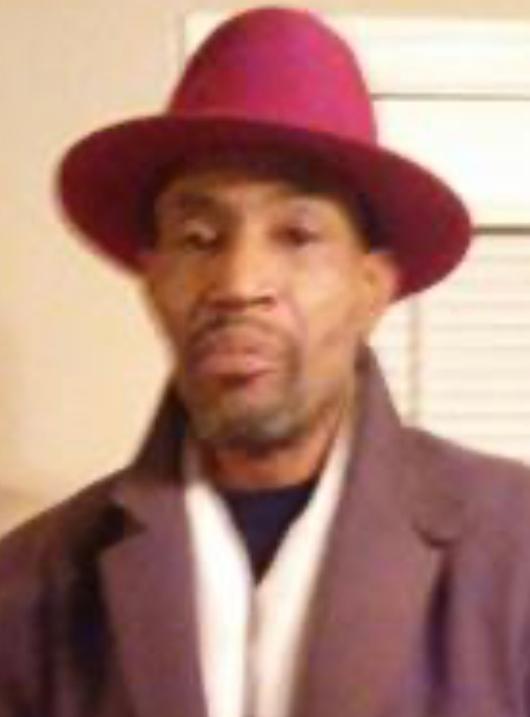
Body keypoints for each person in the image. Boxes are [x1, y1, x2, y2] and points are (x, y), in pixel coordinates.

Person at [2, 6, 530, 717]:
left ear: (372, 286)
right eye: (199, 236)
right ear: (153, 277)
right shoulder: (29, 588)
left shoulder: (516, 552)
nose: (239, 282)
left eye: (297, 234)